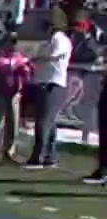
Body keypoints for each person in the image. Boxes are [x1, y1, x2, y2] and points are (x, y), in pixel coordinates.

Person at [27, 16, 74, 169]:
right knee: (50, 122)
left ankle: (38, 157)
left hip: (53, 84)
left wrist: (36, 58)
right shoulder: (48, 41)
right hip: (44, 83)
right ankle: (50, 155)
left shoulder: (59, 40)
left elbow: (54, 55)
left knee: (43, 122)